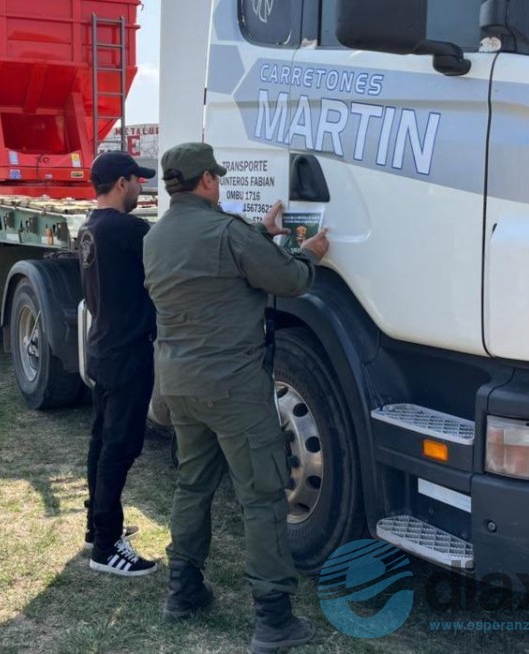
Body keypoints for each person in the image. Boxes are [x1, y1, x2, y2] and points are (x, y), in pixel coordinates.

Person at [143, 143, 329, 652]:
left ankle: (182, 590)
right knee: (262, 498)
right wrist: (305, 253)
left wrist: (261, 236)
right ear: (206, 181)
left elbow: (219, 265)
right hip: (233, 388)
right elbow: (288, 279)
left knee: (193, 484)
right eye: (216, 178)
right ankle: (273, 619)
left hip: (178, 384)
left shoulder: (155, 238)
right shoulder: (227, 234)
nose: (219, 184)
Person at [78, 151, 159, 577]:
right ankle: (107, 547)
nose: (141, 188)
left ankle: (98, 527)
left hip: (102, 346)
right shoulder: (129, 229)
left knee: (100, 444)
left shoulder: (90, 228)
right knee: (119, 449)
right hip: (127, 352)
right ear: (122, 182)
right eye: (138, 181)